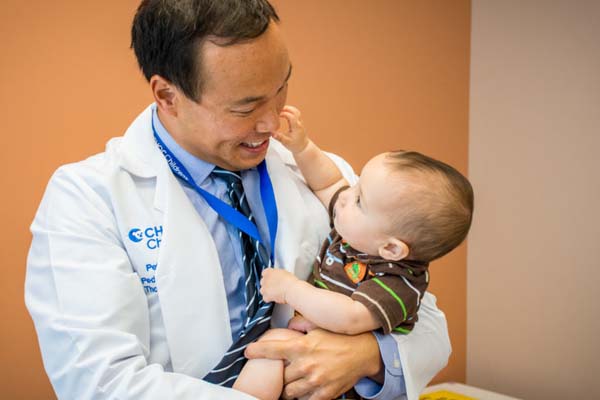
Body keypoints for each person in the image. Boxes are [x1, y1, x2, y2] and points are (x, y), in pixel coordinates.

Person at [24, 1, 451, 399]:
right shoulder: (86, 198)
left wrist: (369, 357)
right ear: (167, 96)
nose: (272, 122)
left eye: (281, 88)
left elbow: (424, 320)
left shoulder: (329, 184)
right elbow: (101, 381)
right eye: (245, 107)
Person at [233, 106, 473, 399]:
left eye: (359, 199)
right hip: (308, 346)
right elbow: (329, 182)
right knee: (268, 354)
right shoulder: (361, 233)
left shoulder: (397, 283)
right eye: (356, 187)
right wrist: (303, 148)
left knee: (271, 349)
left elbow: (350, 317)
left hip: (343, 386)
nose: (346, 195)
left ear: (392, 248)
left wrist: (291, 290)